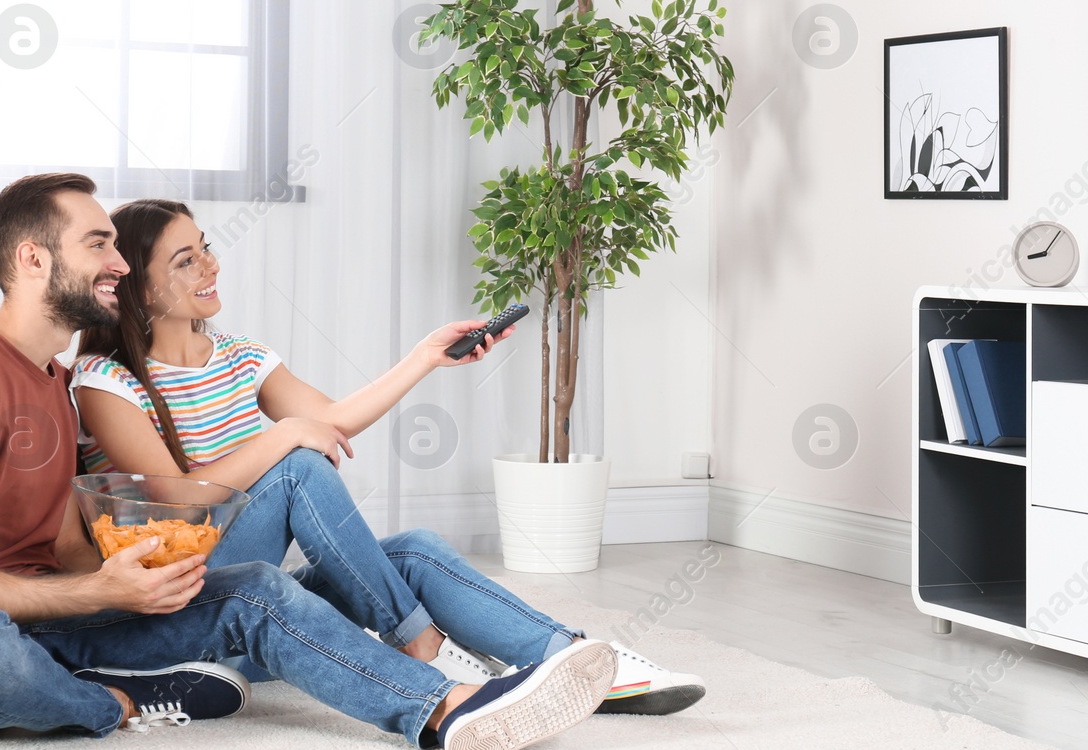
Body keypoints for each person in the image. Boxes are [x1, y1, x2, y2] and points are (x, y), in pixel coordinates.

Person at [0, 173, 619, 750]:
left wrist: (140, 574)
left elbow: (60, 549)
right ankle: (113, 702)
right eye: (98, 244)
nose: (117, 260)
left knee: (259, 588)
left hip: (54, 619)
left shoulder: (51, 382)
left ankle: (444, 706)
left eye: (118, 244)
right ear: (31, 258)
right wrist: (100, 588)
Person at [72, 197, 705, 715]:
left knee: (414, 551)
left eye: (206, 246)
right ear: (138, 285)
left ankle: (583, 660)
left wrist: (425, 356)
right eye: (185, 261)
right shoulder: (106, 380)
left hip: (252, 580)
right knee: (297, 466)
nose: (209, 265)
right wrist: (284, 435)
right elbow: (179, 497)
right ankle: (422, 646)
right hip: (183, 601)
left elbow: (332, 420)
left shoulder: (237, 355)